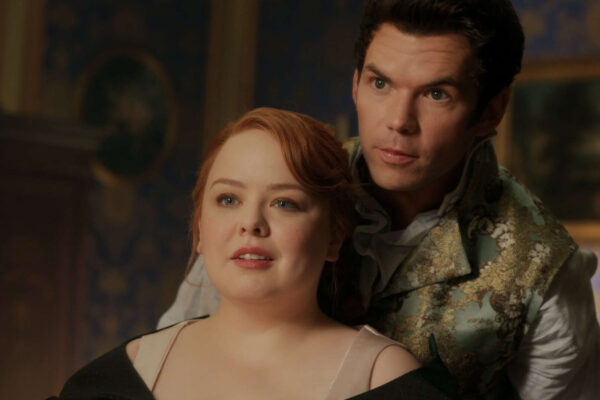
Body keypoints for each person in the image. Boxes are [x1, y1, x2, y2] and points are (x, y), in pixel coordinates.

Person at [160, 1, 600, 399]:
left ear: (491, 111)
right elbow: (177, 349)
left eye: (436, 94)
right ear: (355, 84)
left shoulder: (543, 267)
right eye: (381, 83)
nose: (398, 121)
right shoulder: (282, 183)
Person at [50, 108, 459, 400]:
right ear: (200, 228)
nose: (251, 223)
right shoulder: (119, 379)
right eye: (228, 199)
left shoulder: (383, 378)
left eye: (284, 203)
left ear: (335, 236)